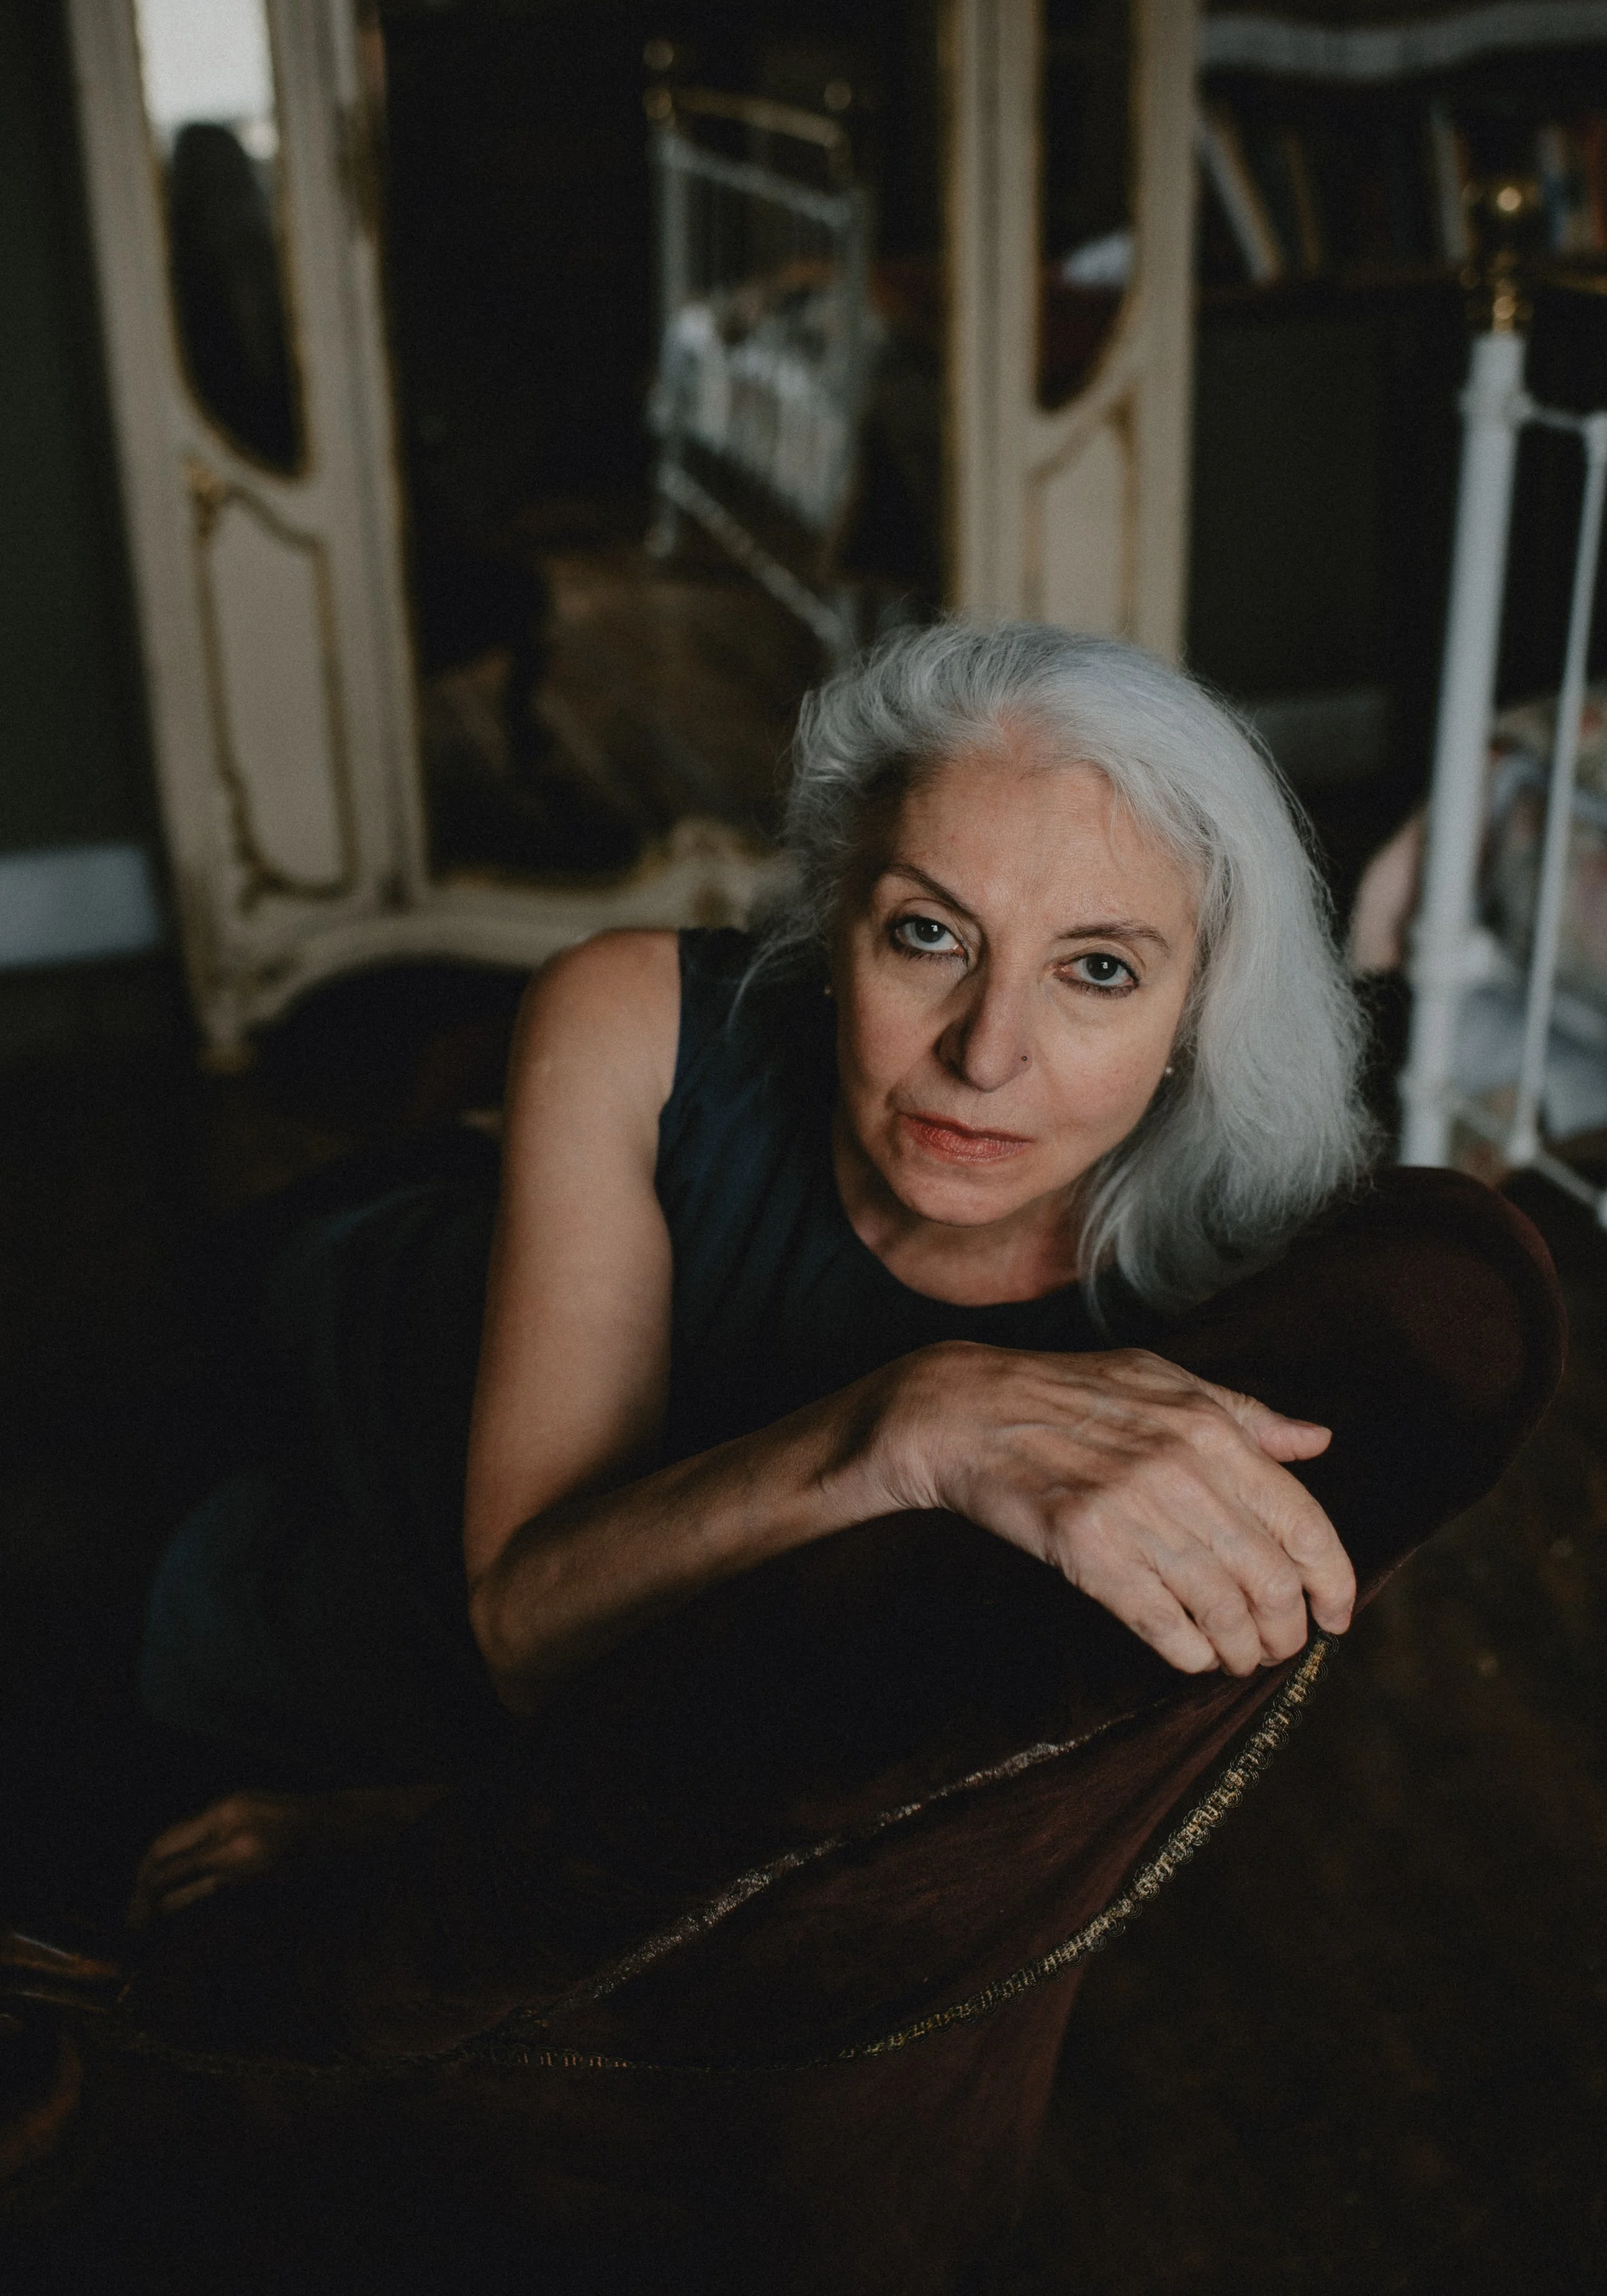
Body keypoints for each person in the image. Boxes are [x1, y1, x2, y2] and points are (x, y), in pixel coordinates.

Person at [130, 620, 1379, 1924]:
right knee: (189, 1450)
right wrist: (911, 1417)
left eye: (1099, 970)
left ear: (1199, 1014)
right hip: (382, 1328)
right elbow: (523, 1629)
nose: (984, 1056)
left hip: (585, 1591)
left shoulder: (1221, 1317)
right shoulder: (619, 1007)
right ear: (835, 922)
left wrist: (441, 1826)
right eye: (928, 936)